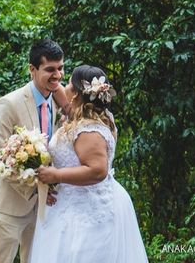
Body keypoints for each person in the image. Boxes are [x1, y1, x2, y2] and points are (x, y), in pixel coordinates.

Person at [29, 64, 149, 263]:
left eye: (68, 83)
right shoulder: (89, 117)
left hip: (86, 213)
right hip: (69, 203)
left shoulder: (88, 129)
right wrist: (44, 78)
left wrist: (56, 176)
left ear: (76, 94)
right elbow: (62, 94)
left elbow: (97, 170)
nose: (64, 87)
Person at [0, 38, 65, 263]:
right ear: (32, 69)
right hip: (9, 206)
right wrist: (37, 187)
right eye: (50, 69)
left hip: (42, 210)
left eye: (60, 68)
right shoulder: (8, 104)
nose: (57, 75)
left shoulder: (58, 102)